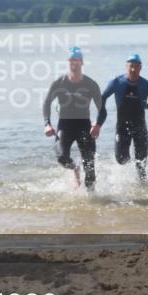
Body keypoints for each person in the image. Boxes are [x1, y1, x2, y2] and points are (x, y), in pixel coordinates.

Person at [100, 54, 148, 182]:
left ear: (140, 68)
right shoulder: (117, 82)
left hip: (140, 128)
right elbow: (102, 97)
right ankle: (125, 180)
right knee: (121, 159)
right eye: (131, 66)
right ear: (126, 67)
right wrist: (101, 115)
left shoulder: (146, 85)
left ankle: (143, 186)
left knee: (141, 164)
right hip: (122, 127)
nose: (133, 69)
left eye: (136, 66)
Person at [42, 47, 103, 190]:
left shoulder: (90, 84)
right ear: (68, 62)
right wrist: (47, 124)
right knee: (62, 157)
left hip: (84, 126)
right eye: (71, 60)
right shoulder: (59, 83)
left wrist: (98, 124)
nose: (73, 63)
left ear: (81, 62)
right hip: (65, 125)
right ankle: (75, 169)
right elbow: (46, 103)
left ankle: (92, 203)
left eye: (76, 60)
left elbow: (102, 108)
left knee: (90, 170)